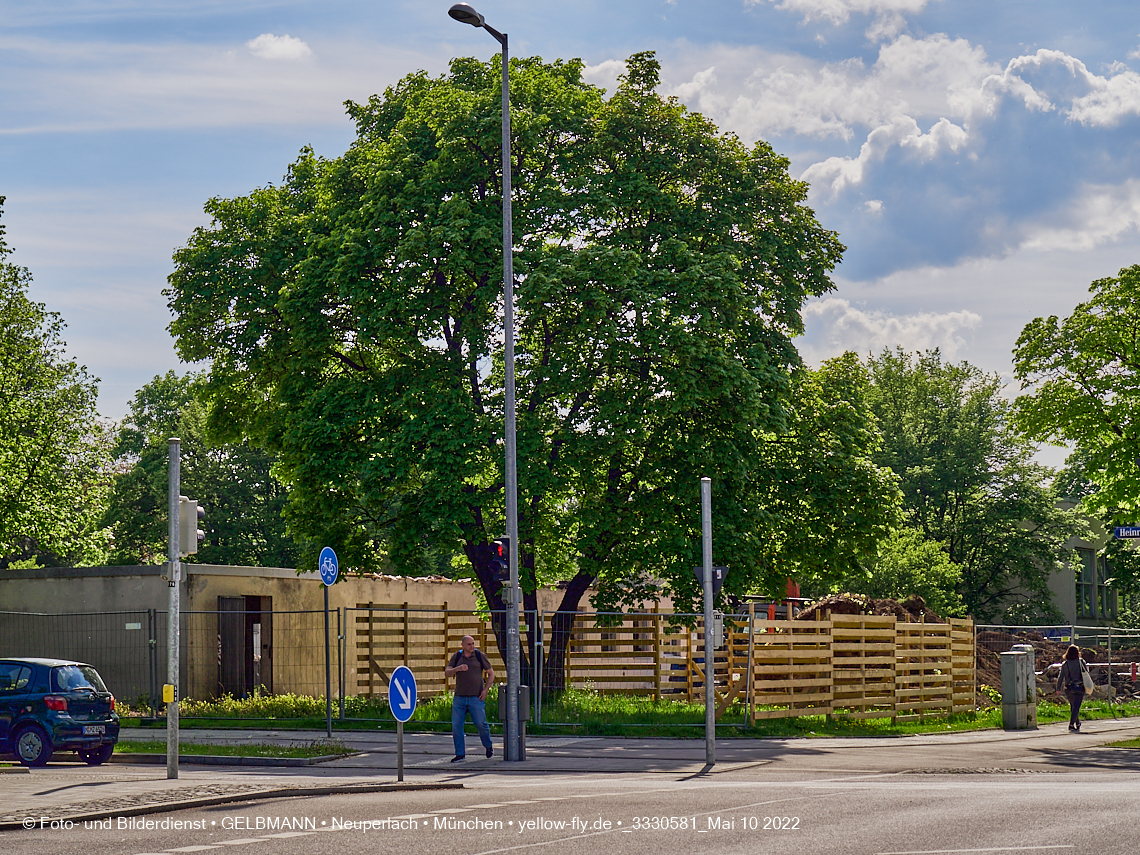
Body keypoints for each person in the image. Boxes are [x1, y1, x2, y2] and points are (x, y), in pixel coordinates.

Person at [444, 635, 495, 762]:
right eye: (469, 644)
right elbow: (447, 672)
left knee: (480, 724)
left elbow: (491, 673)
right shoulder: (457, 656)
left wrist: (486, 690)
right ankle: (460, 753)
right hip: (459, 697)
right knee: (456, 726)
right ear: (462, 645)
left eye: (473, 644)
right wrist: (458, 668)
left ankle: (488, 745)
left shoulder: (479, 656)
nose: (472, 646)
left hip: (476, 697)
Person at [1055, 644, 1087, 732]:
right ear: (1077, 653)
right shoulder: (1081, 662)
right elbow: (1086, 674)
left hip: (1069, 688)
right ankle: (1071, 724)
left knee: (1073, 706)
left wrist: (1058, 688)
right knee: (1076, 706)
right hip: (1080, 687)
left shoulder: (1065, 664)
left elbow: (1061, 677)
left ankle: (1078, 723)